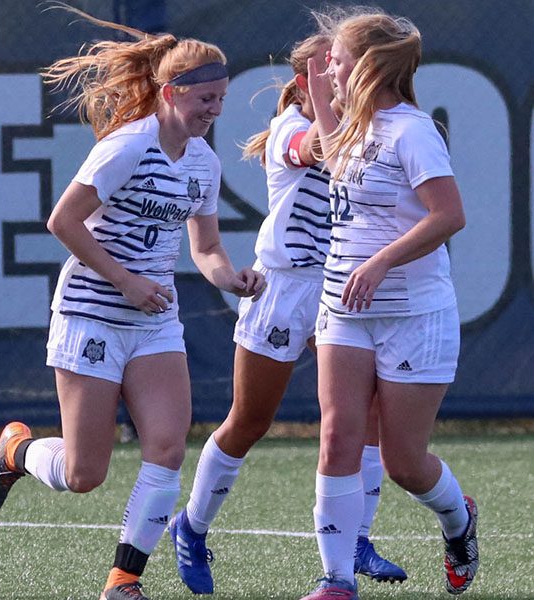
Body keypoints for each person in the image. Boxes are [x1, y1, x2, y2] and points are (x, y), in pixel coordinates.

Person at [0, 7, 265, 600]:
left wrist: (230, 277)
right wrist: (127, 280)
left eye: (220, 98)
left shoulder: (203, 164)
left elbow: (205, 246)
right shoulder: (127, 147)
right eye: (204, 98)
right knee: (84, 475)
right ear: (169, 92)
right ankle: (18, 449)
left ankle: (123, 580)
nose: (213, 109)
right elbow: (63, 221)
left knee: (166, 446)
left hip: (154, 322)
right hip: (91, 311)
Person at [167, 34, 405, 595]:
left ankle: (355, 540)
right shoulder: (290, 130)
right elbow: (320, 147)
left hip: (341, 289)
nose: (342, 76)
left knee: (361, 419)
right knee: (250, 420)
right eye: (329, 69)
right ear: (304, 83)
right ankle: (191, 527)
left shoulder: (372, 126)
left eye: (345, 66)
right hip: (286, 289)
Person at [298, 8, 478, 599]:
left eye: (338, 59)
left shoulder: (411, 130)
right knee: (336, 437)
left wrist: (379, 262)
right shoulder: (353, 123)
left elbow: (449, 215)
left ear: (368, 66)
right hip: (344, 307)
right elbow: (337, 155)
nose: (330, 64)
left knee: (404, 462)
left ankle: (459, 520)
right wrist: (321, 94)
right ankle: (336, 580)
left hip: (413, 313)